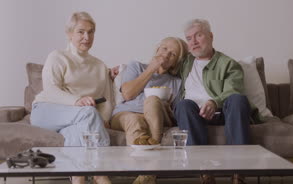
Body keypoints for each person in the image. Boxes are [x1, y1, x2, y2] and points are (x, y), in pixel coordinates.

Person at [30, 12, 114, 184]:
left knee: (77, 130)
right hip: (46, 110)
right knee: (88, 113)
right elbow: (51, 90)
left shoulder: (99, 65)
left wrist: (104, 118)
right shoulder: (58, 57)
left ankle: (78, 178)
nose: (86, 37)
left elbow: (106, 99)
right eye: (81, 32)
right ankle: (100, 173)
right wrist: (77, 101)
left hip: (76, 119)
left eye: (91, 32)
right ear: (69, 34)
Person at [174, 19, 255, 184]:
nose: (194, 42)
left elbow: (234, 89)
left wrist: (213, 102)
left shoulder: (228, 64)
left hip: (223, 112)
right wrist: (122, 69)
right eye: (189, 38)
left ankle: (238, 174)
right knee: (182, 105)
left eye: (198, 35)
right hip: (193, 113)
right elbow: (162, 65)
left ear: (210, 36)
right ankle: (205, 174)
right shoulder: (185, 63)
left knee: (238, 99)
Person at [110, 37, 188, 184]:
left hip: (157, 115)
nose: (166, 55)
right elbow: (127, 94)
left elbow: (176, 113)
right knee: (134, 120)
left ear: (176, 62)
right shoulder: (136, 66)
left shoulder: (176, 82)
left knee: (152, 100)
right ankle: (149, 171)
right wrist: (152, 68)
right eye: (164, 49)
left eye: (172, 54)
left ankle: (147, 171)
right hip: (126, 114)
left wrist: (163, 104)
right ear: (157, 49)